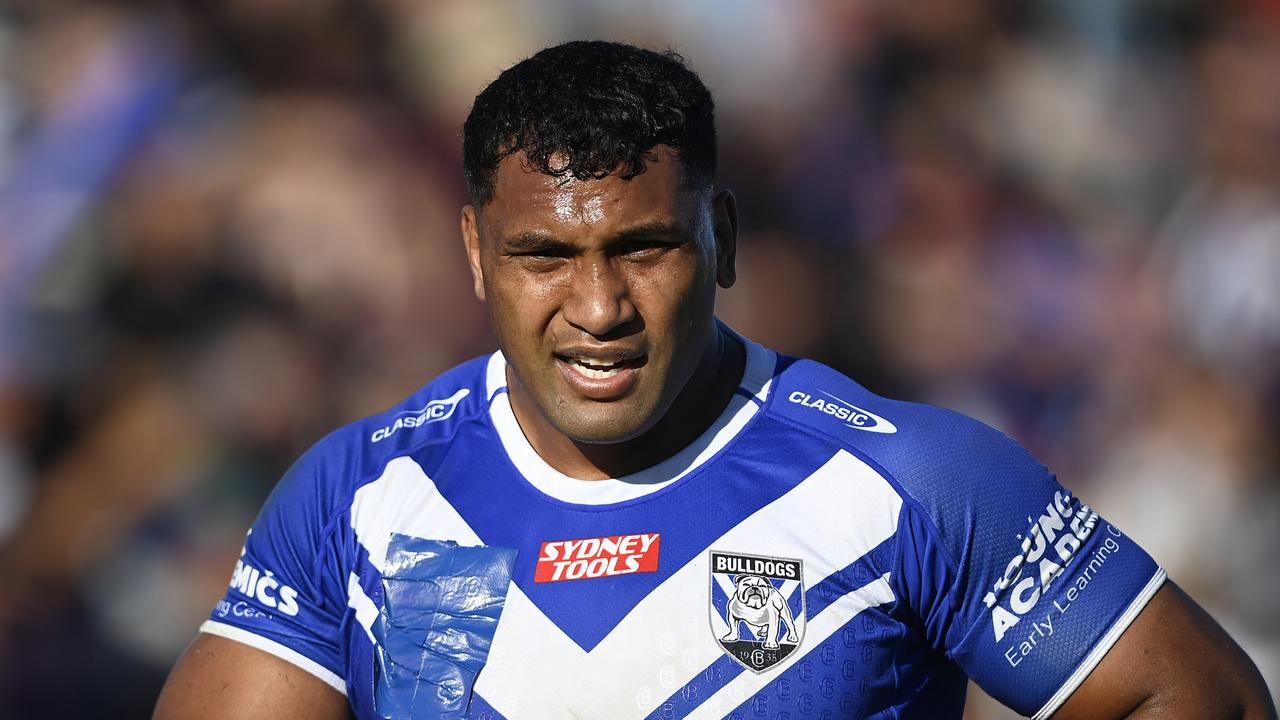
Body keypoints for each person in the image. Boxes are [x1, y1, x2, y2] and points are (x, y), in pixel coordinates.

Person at [154, 40, 1275, 720]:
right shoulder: (361, 495)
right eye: (543, 257)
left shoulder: (908, 478)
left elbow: (1195, 697)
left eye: (642, 248)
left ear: (722, 239)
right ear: (472, 254)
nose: (597, 310)